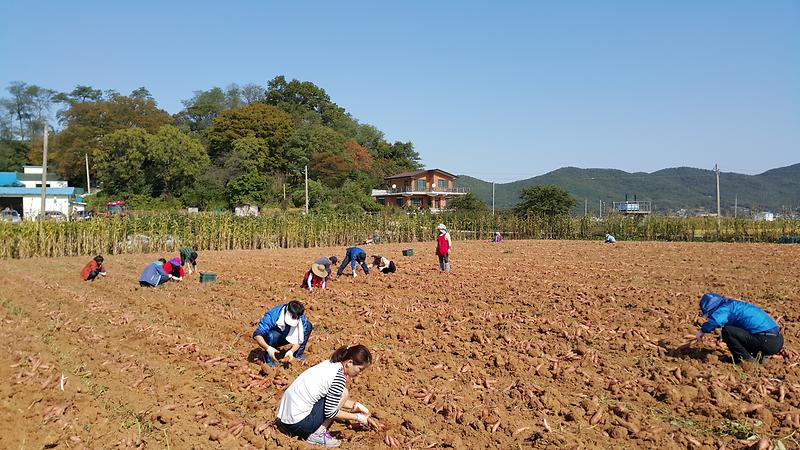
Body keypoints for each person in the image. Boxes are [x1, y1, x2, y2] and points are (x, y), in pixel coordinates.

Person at [277, 345, 382, 447]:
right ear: (350, 363)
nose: (360, 374)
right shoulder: (339, 378)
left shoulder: (330, 364)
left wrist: (355, 405)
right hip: (298, 425)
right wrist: (359, 418)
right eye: (360, 369)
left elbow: (329, 397)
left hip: (284, 419)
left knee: (342, 393)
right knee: (344, 393)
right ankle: (318, 434)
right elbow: (330, 412)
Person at [694, 292, 783, 364]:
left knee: (727, 331)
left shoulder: (725, 308)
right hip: (777, 340)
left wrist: (702, 331)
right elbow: (742, 327)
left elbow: (716, 321)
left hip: (766, 341)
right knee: (731, 331)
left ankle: (745, 360)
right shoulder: (734, 305)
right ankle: (760, 357)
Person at [253, 300, 313, 369]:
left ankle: (297, 354)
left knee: (308, 326)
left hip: (289, 336)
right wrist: (268, 348)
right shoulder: (273, 314)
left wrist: (291, 351)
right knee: (271, 335)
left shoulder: (300, 317)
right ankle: (269, 359)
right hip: (276, 337)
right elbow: (257, 334)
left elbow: (300, 339)